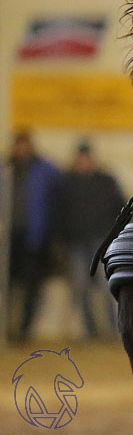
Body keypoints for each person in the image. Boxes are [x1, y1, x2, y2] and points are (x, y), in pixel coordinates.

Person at [54, 140, 125, 339]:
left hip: (101, 242)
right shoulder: (67, 183)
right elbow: (59, 213)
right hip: (76, 242)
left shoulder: (106, 180)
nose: (83, 162)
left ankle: (114, 327)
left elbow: (120, 207)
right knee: (81, 287)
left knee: (106, 287)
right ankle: (91, 329)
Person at [7, 131, 60, 341]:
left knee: (31, 286)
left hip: (34, 238)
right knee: (9, 286)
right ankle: (7, 328)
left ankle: (23, 330)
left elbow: (56, 202)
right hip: (8, 239)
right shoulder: (6, 168)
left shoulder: (45, 170)